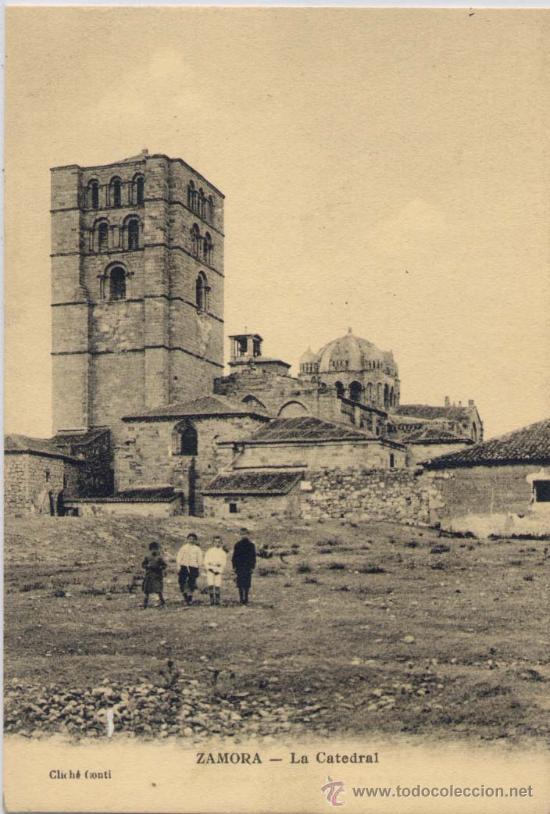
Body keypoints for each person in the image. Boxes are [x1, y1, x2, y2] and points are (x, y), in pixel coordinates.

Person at [176, 533, 203, 605]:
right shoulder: (183, 548)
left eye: (193, 539)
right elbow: (179, 557)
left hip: (193, 567)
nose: (191, 540)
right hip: (184, 566)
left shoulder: (197, 549)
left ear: (195, 540)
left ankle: (190, 597)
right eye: (190, 539)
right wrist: (179, 566)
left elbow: (200, 559)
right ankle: (185, 597)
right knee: (182, 582)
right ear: (187, 539)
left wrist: (199, 568)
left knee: (191, 582)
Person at [232, 536, 257, 605]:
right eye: (242, 534)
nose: (244, 536)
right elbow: (235, 556)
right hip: (240, 567)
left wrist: (252, 566)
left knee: (246, 584)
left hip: (247, 567)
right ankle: (241, 598)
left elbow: (253, 557)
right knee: (241, 583)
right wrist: (234, 566)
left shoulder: (251, 545)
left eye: (245, 534)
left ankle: (245, 598)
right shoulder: (238, 544)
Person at [141, 542, 167, 609]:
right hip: (149, 575)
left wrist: (160, 567)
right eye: (152, 549)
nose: (154, 550)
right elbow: (143, 565)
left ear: (158, 549)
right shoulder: (147, 557)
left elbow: (164, 565)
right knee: (147, 591)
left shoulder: (160, 557)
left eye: (155, 549)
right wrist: (147, 566)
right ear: (150, 549)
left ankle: (163, 603)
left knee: (158, 590)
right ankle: (145, 605)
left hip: (157, 576)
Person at [204, 535, 227, 606]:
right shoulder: (209, 551)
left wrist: (219, 570)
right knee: (211, 584)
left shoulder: (223, 552)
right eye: (216, 542)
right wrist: (209, 568)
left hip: (218, 570)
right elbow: (205, 561)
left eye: (219, 542)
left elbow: (224, 563)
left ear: (221, 543)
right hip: (210, 569)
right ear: (213, 543)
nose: (217, 543)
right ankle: (212, 600)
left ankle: (217, 601)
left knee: (217, 585)